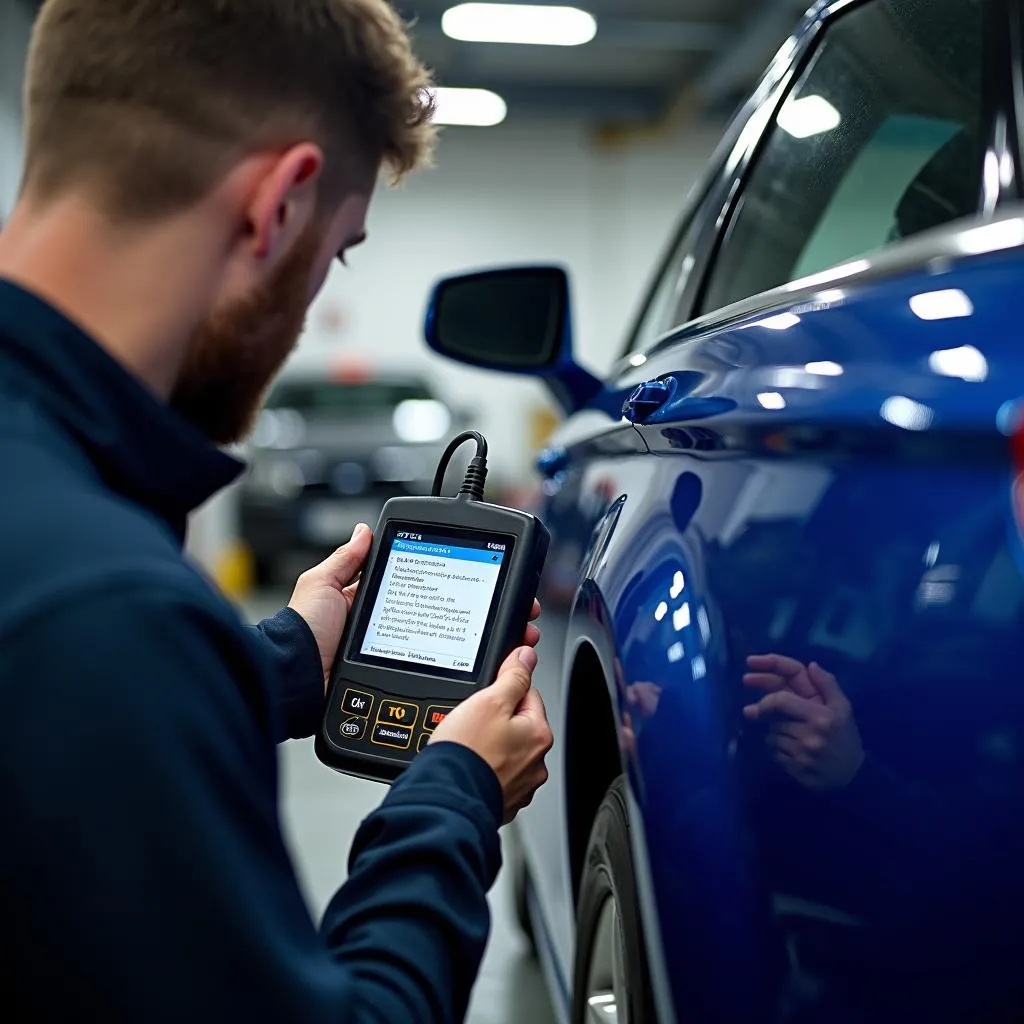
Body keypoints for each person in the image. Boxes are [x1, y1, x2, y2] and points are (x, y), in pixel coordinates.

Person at [0, 1, 553, 1020]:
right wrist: (454, 799)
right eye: (336, 254)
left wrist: (292, 660)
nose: (310, 307)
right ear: (281, 205)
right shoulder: (106, 607)